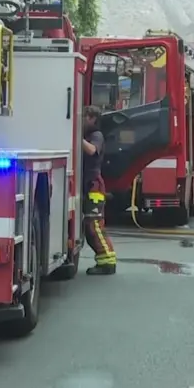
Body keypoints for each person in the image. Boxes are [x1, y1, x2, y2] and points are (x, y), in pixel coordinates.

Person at [82, 105, 116, 275]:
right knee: (89, 226)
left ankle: (108, 261)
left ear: (93, 118)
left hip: (94, 186)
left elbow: (91, 150)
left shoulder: (96, 136)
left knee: (94, 225)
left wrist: (75, 137)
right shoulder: (87, 135)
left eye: (85, 116)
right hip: (88, 185)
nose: (82, 120)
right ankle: (103, 261)